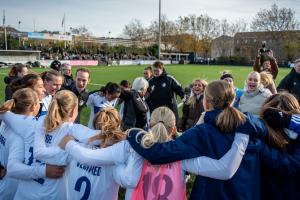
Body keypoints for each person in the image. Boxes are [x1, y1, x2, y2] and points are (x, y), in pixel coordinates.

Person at [59, 106, 249, 200]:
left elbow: (89, 157)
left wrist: (69, 144)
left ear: (149, 124)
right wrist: (243, 135)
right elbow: (225, 169)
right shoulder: (183, 158)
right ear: (174, 129)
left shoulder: (132, 146)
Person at [0, 88, 64, 200]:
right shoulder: (19, 135)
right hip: (10, 188)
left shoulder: (5, 122)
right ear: (33, 107)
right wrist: (44, 171)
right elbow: (13, 168)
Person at [33, 90, 98, 199]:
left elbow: (38, 152)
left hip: (36, 188)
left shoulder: (42, 120)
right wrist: (63, 146)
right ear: (73, 111)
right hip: (56, 193)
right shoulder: (72, 129)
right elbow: (100, 138)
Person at [147, 61, 184, 126]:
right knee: (157, 127)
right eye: (154, 70)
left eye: (157, 70)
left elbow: (179, 89)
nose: (155, 72)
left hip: (168, 108)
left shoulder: (169, 79)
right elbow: (146, 94)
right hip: (155, 110)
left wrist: (183, 98)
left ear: (162, 69)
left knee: (169, 126)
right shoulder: (150, 81)